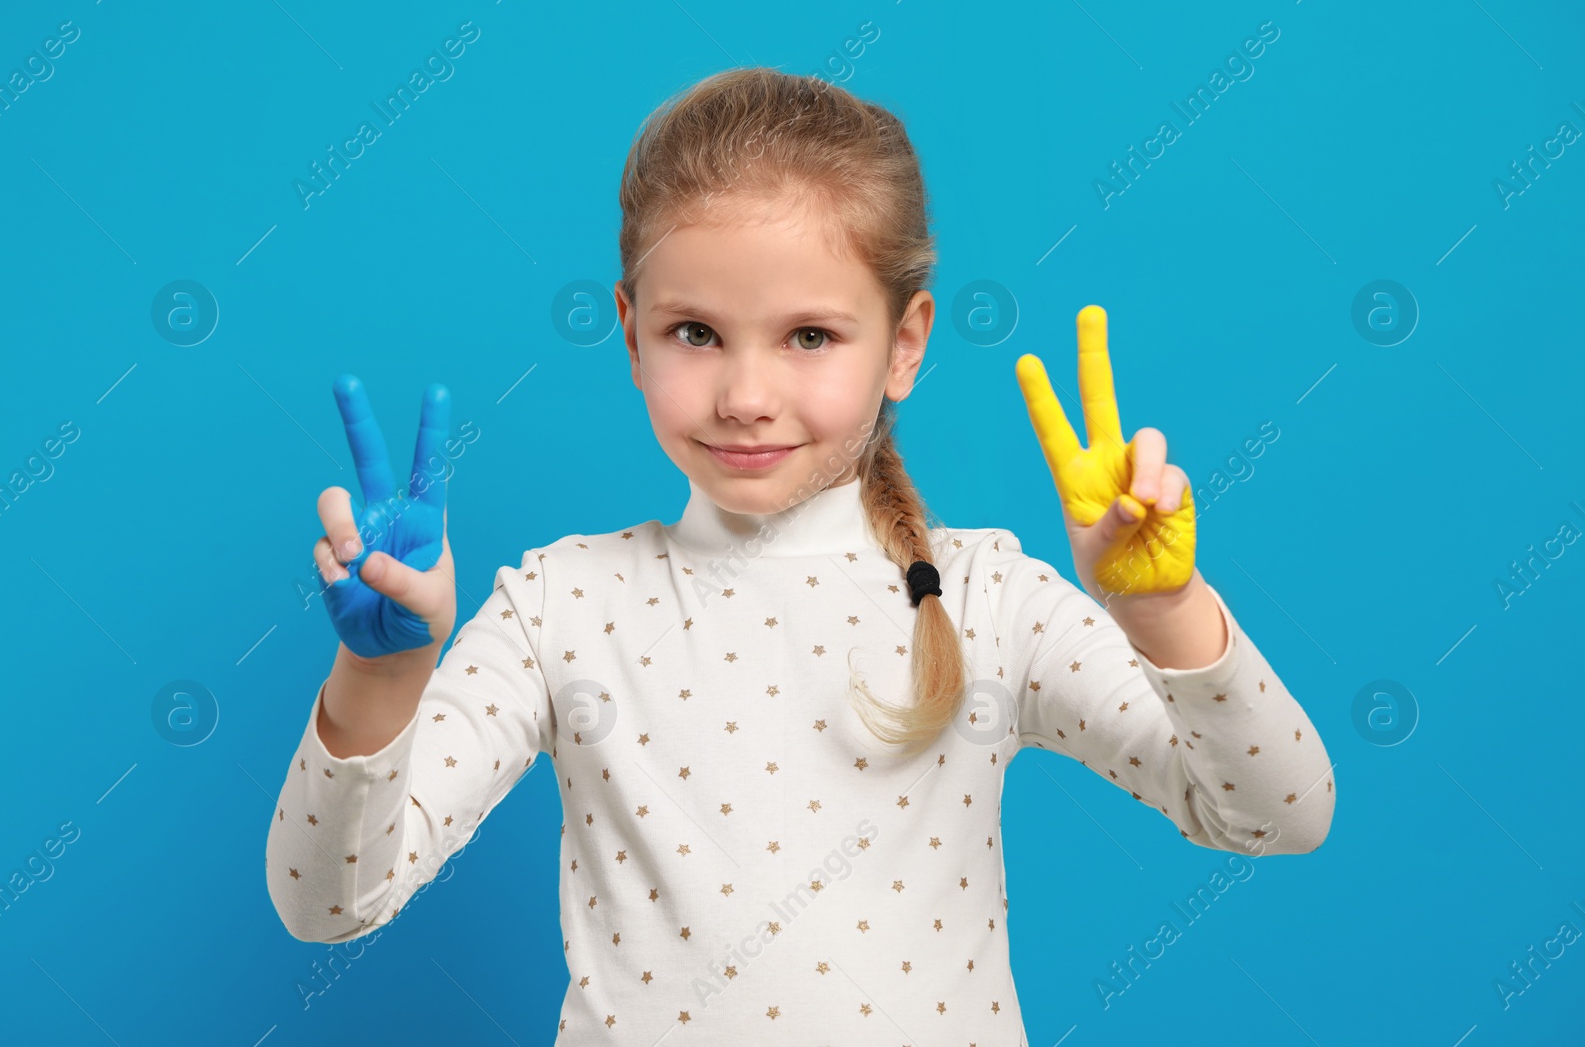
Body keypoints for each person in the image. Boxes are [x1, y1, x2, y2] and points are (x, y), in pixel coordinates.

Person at [266, 67, 1335, 1043]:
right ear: (631, 332)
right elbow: (327, 903)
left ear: (905, 342)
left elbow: (1278, 812)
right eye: (696, 332)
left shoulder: (989, 597)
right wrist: (383, 673)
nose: (745, 395)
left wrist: (1166, 608)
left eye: (809, 336)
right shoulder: (562, 603)